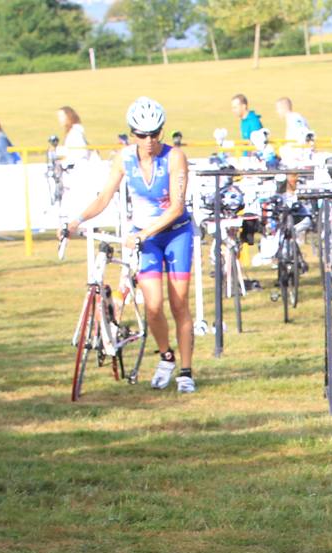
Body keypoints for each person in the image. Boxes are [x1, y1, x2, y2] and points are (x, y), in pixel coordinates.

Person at [66, 97, 197, 393]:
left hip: (176, 233)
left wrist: (141, 233)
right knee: (152, 305)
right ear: (132, 133)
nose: (148, 141)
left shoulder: (174, 157)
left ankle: (186, 372)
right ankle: (166, 357)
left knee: (179, 304)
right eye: (141, 134)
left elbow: (176, 207)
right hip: (145, 239)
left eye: (154, 134)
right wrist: (76, 220)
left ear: (161, 132)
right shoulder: (124, 158)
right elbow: (103, 197)